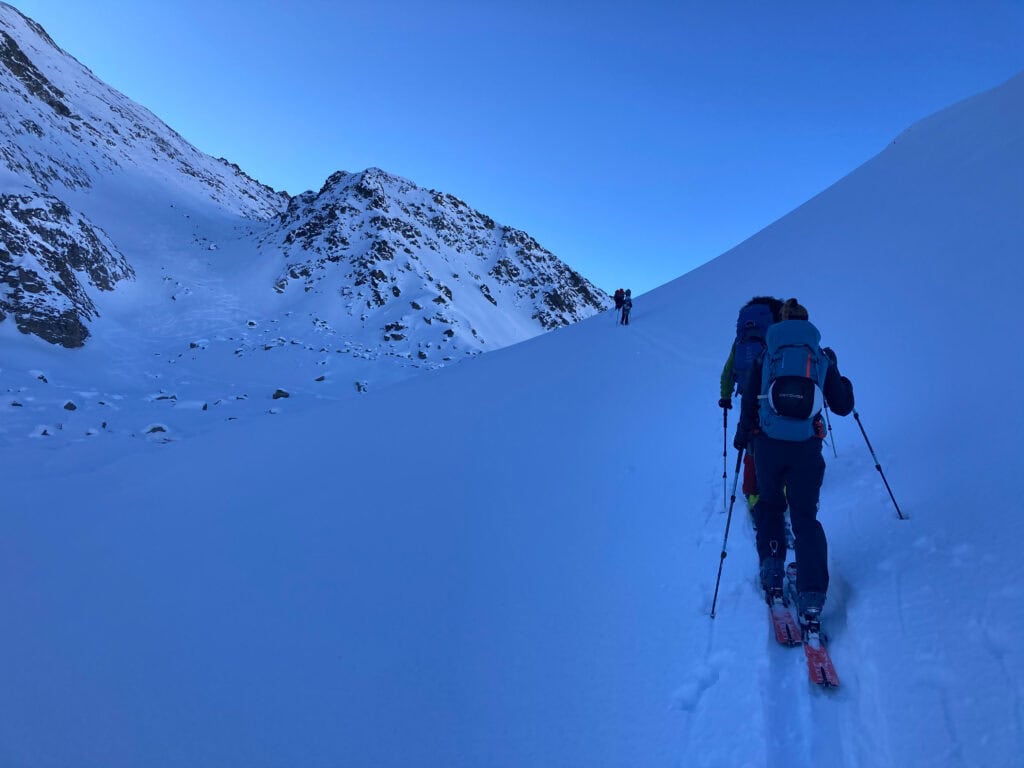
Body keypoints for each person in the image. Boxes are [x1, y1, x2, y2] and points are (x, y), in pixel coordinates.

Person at [732, 298, 854, 627]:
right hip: (805, 449)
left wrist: (743, 437)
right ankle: (812, 595)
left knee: (771, 507)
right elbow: (842, 406)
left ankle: (772, 573)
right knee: (805, 518)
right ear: (806, 322)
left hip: (768, 447)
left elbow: (748, 403)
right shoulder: (819, 356)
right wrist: (840, 376)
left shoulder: (765, 355)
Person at [720, 297, 784, 507]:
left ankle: (752, 491)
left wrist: (726, 396)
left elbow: (728, 370)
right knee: (776, 439)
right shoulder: (774, 331)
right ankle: (780, 486)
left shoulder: (740, 340)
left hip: (748, 394)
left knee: (750, 441)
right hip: (773, 395)